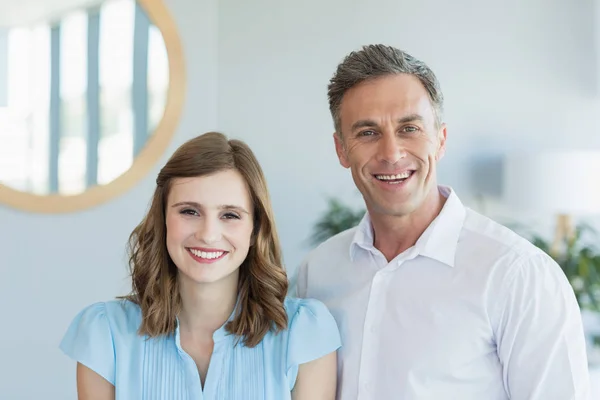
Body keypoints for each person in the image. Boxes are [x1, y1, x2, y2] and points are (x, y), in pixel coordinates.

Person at [295, 44, 590, 399]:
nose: (391, 153)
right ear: (342, 149)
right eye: (368, 133)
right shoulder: (320, 271)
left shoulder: (519, 275)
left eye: (409, 128)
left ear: (441, 140)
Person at [60, 132, 340, 400]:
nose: (208, 234)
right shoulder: (105, 334)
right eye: (189, 211)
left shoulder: (304, 334)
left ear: (255, 230)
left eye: (230, 215)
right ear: (163, 219)